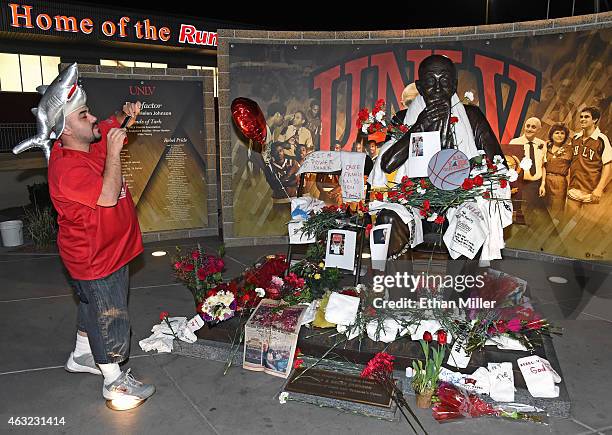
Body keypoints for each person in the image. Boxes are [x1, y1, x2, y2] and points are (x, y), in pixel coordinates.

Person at [46, 71, 154, 403]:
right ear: (65, 128)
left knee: (92, 308)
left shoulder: (86, 144)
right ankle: (114, 381)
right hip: (96, 260)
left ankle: (80, 357)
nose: (93, 118)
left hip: (107, 252)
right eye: (83, 115)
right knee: (111, 317)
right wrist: (113, 153)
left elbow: (107, 125)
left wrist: (124, 115)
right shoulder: (67, 169)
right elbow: (107, 196)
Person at [373, 54, 505, 258]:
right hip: (414, 200)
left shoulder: (470, 117)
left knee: (469, 222)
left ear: (454, 85)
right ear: (419, 85)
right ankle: (401, 289)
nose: (436, 89)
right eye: (429, 81)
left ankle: (461, 290)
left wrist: (466, 176)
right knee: (388, 220)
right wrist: (420, 125)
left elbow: (498, 165)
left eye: (444, 81)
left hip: (459, 198)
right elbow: (387, 164)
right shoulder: (403, 118)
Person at [566, 107, 611, 215]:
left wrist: (599, 188)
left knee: (584, 228)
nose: (582, 119)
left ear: (594, 120)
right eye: (581, 117)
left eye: (586, 117)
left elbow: (608, 165)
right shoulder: (576, 138)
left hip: (591, 192)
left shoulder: (602, 139)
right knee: (565, 226)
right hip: (574, 189)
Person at [509, 117, 548, 223]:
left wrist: (542, 184)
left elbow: (543, 166)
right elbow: (510, 165)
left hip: (535, 185)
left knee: (531, 218)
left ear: (538, 129)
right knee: (517, 217)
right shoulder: (515, 142)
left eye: (533, 127)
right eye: (528, 126)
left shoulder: (542, 144)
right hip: (520, 184)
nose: (529, 129)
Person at [539, 123, 572, 217]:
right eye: (557, 133)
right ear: (551, 134)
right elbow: (542, 165)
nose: (559, 135)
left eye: (562, 133)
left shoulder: (569, 149)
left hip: (559, 183)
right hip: (544, 180)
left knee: (556, 213)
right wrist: (543, 183)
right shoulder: (545, 147)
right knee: (542, 212)